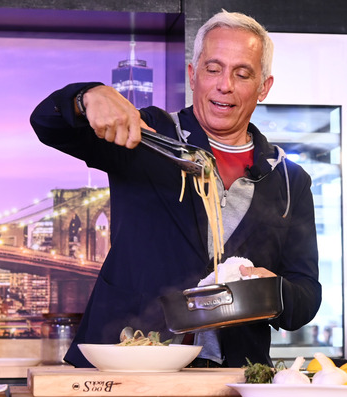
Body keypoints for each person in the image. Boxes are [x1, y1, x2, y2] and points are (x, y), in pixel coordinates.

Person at [30, 10, 321, 368]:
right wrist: (86, 97)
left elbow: (306, 296)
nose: (224, 85)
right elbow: (47, 124)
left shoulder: (289, 180)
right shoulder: (147, 136)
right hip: (128, 364)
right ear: (193, 74)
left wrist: (272, 291)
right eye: (213, 69)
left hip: (232, 378)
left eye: (242, 73)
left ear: (263, 87)